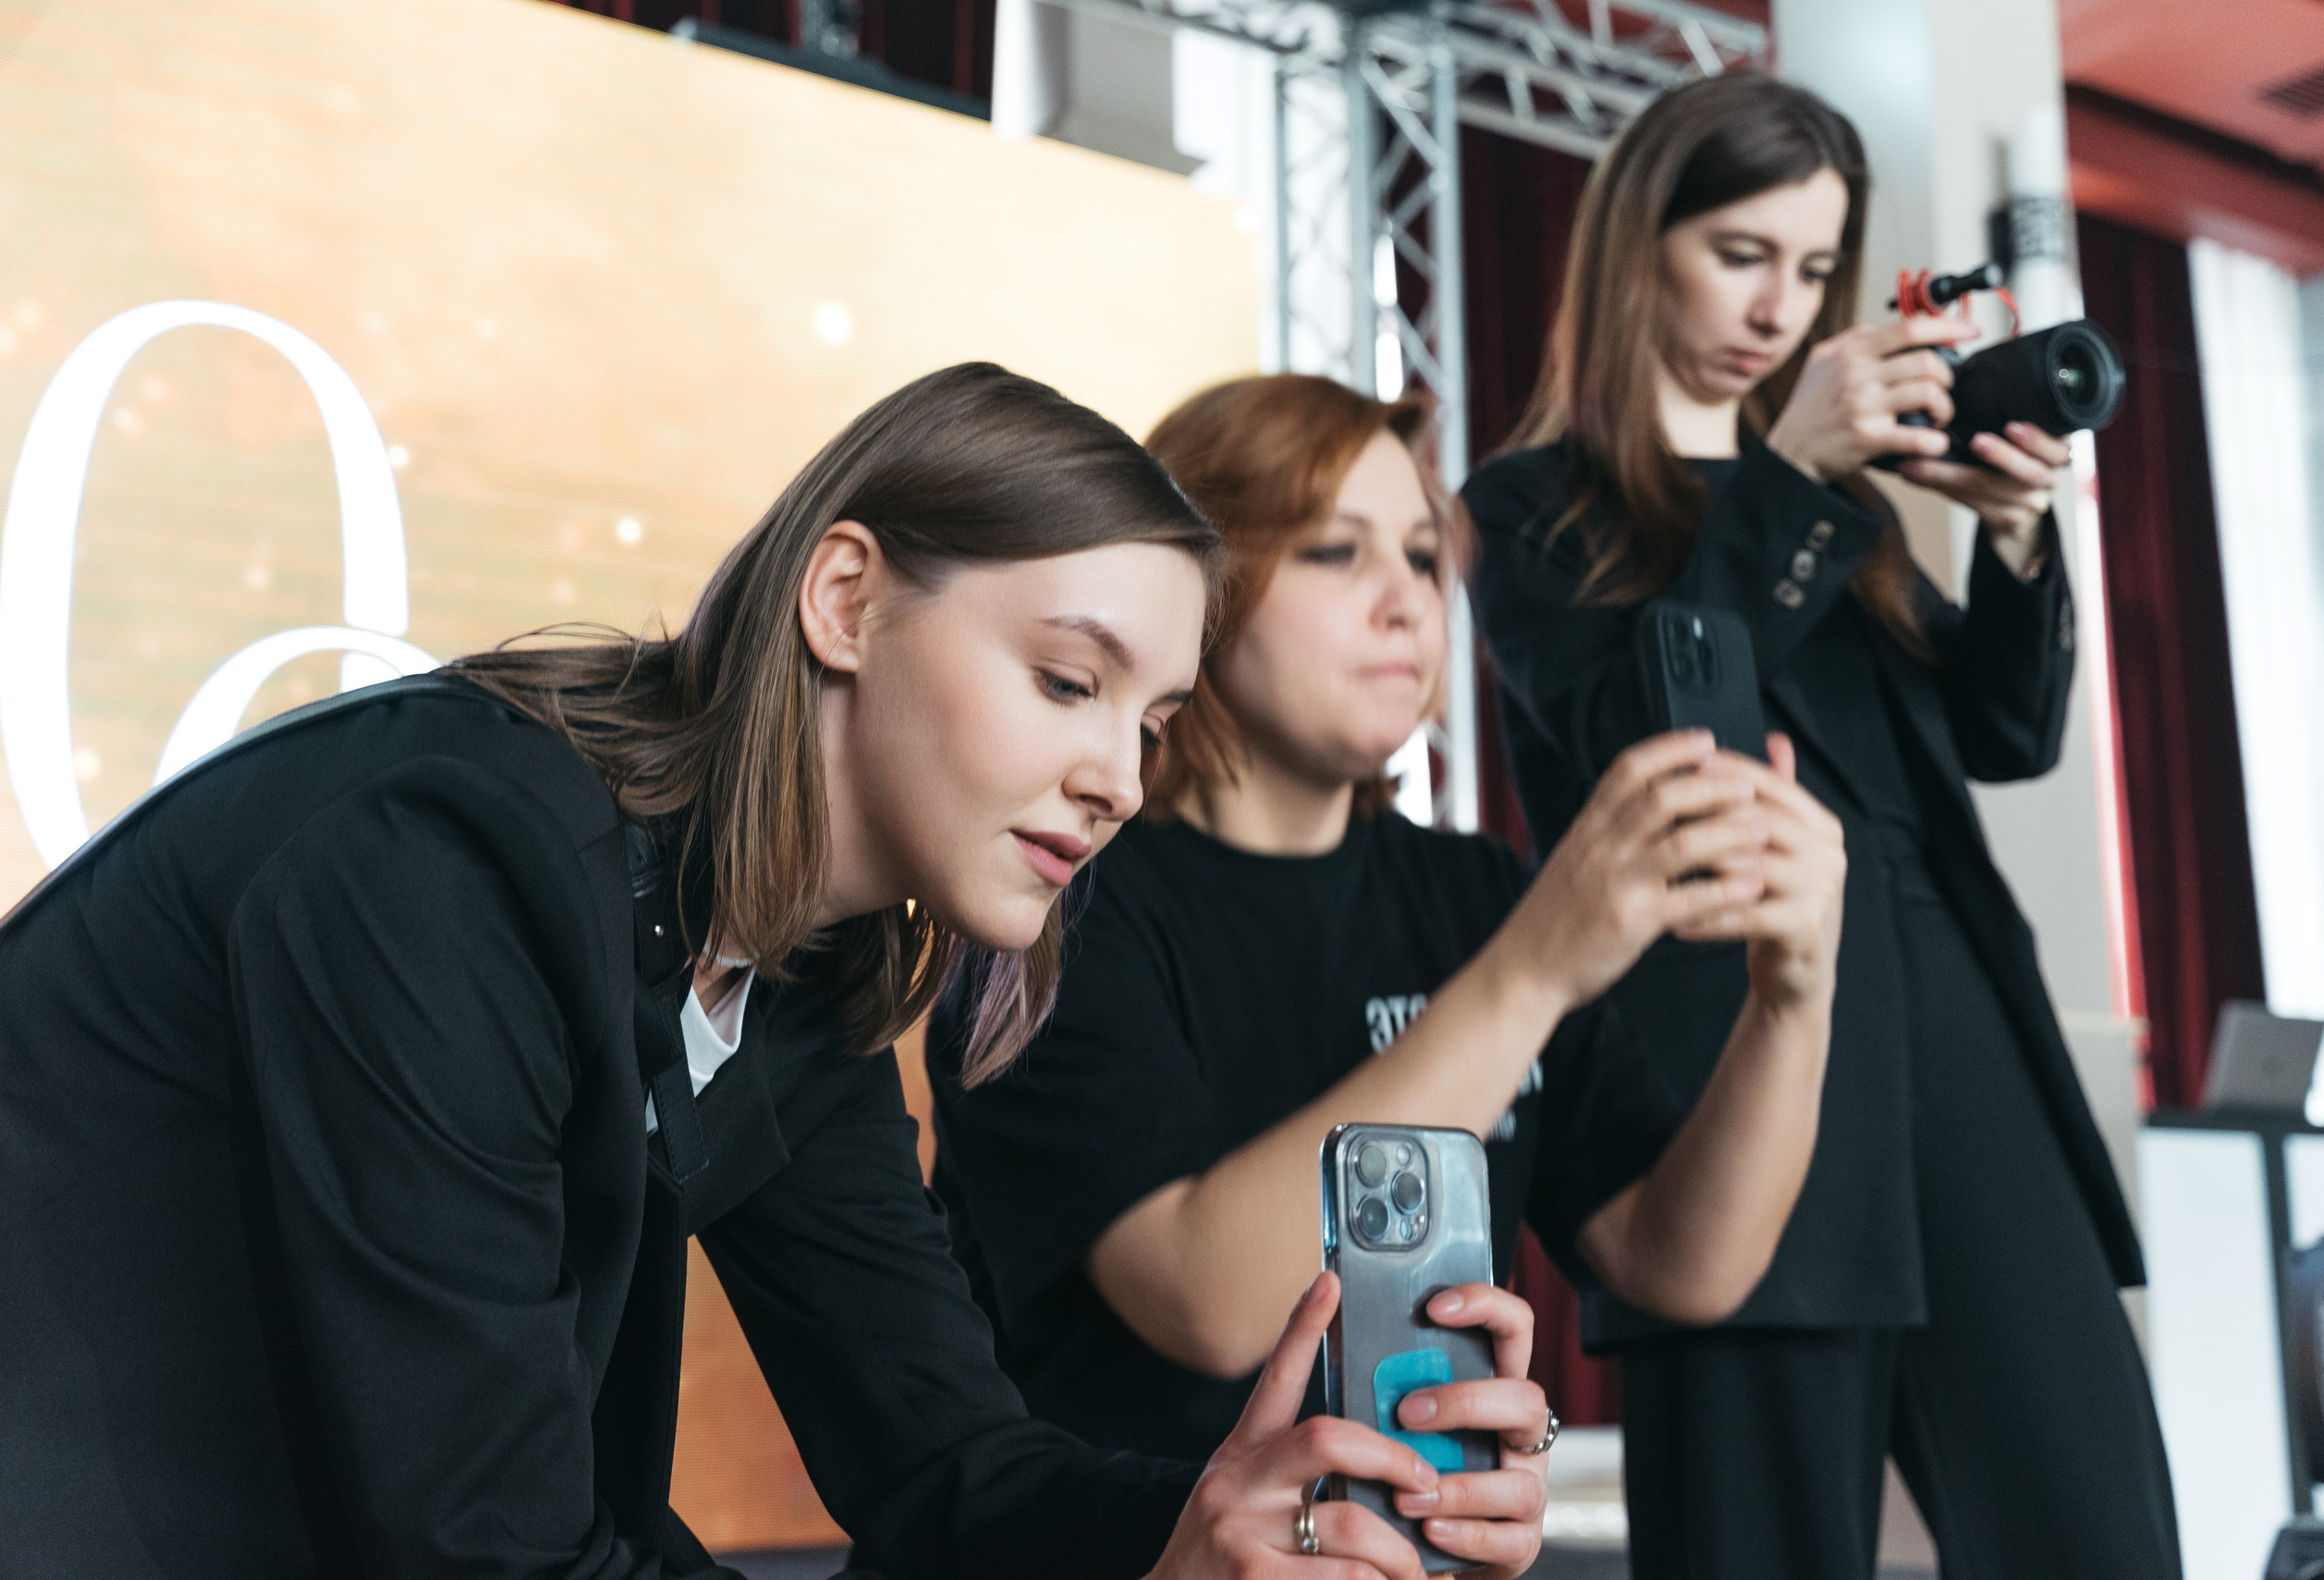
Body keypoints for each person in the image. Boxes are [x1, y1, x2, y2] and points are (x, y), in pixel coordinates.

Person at [0, 362, 1554, 1580]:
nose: (1117, 778)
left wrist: (1254, 1513)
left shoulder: (800, 975)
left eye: (1149, 725)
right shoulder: (447, 869)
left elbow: (947, 1459)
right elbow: (483, 1548)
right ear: (845, 596)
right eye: (1069, 680)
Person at [1460, 74, 2180, 1579]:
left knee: (2097, 1520)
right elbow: (1650, 742)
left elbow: (2003, 737)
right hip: (1730, 1060)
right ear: (1635, 244)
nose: (1779, 305)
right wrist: (1786, 473)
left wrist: (2014, 536)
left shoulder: (1838, 521)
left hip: (1960, 1040)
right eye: (1740, 254)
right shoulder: (1533, 507)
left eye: (1810, 266)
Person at [924, 374, 1845, 1511]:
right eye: (1333, 552)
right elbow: (1209, 1299)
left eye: (1420, 555)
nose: (1407, 601)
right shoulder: (1061, 894)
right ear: (1197, 589)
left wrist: (1792, 994)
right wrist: (1535, 967)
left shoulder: (1471, 892)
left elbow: (1680, 1259)